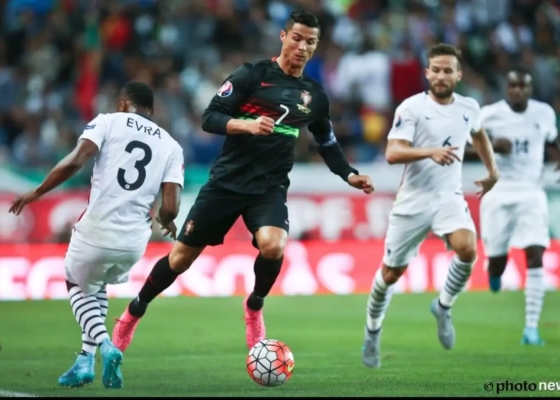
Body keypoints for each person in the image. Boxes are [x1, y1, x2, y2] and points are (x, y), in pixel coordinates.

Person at [112, 9, 374, 353]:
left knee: (274, 245)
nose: (302, 47)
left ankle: (254, 306)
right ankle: (133, 312)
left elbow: (326, 142)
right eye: (296, 38)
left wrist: (349, 174)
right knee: (179, 261)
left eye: (310, 42)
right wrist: (247, 125)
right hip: (226, 184)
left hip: (269, 188)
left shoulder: (314, 95)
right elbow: (210, 118)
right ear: (283, 37)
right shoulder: (252, 75)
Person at [9, 82, 184, 388]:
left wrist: (38, 191)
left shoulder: (108, 121)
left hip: (98, 228)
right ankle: (85, 361)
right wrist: (166, 220)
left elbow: (76, 160)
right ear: (151, 111)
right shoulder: (171, 145)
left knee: (75, 280)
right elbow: (171, 206)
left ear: (122, 104)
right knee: (96, 283)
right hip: (134, 242)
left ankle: (105, 344)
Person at [361, 43, 499, 368]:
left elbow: (479, 135)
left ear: (458, 75)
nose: (440, 76)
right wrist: (430, 151)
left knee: (468, 248)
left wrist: (493, 172)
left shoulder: (469, 107)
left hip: (448, 197)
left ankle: (443, 306)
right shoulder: (411, 108)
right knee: (391, 274)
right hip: (413, 201)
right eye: (435, 70)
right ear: (427, 72)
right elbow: (392, 152)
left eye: (447, 70)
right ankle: (372, 332)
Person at [477, 67, 560, 346]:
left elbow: (550, 140)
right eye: (513, 86)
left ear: (530, 89)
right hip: (498, 192)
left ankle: (531, 329)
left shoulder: (544, 113)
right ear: (507, 88)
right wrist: (493, 147)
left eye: (523, 86)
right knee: (498, 261)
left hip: (531, 192)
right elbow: (465, 147)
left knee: (535, 254)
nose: (517, 90)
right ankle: (494, 272)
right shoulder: (489, 115)